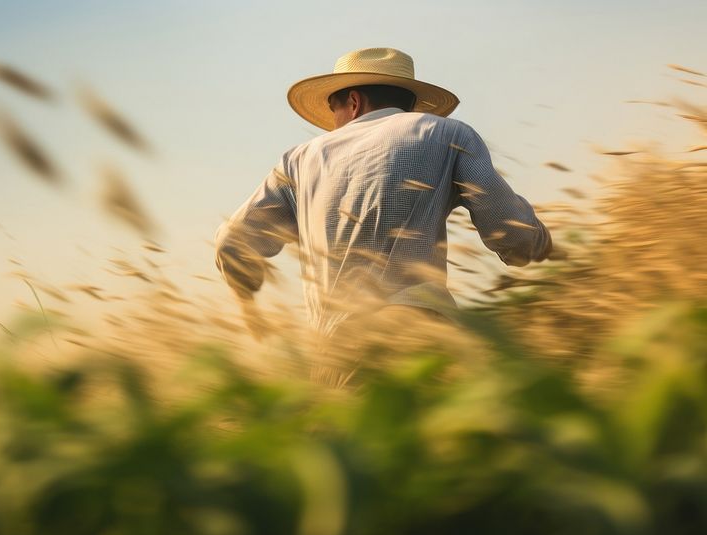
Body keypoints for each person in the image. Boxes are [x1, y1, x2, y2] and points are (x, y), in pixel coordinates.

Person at [214, 47, 554, 383]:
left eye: (333, 110)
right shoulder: (446, 134)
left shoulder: (299, 160)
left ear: (353, 102)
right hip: (421, 345)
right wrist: (549, 249)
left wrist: (246, 288)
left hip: (337, 358)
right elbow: (516, 235)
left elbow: (233, 244)